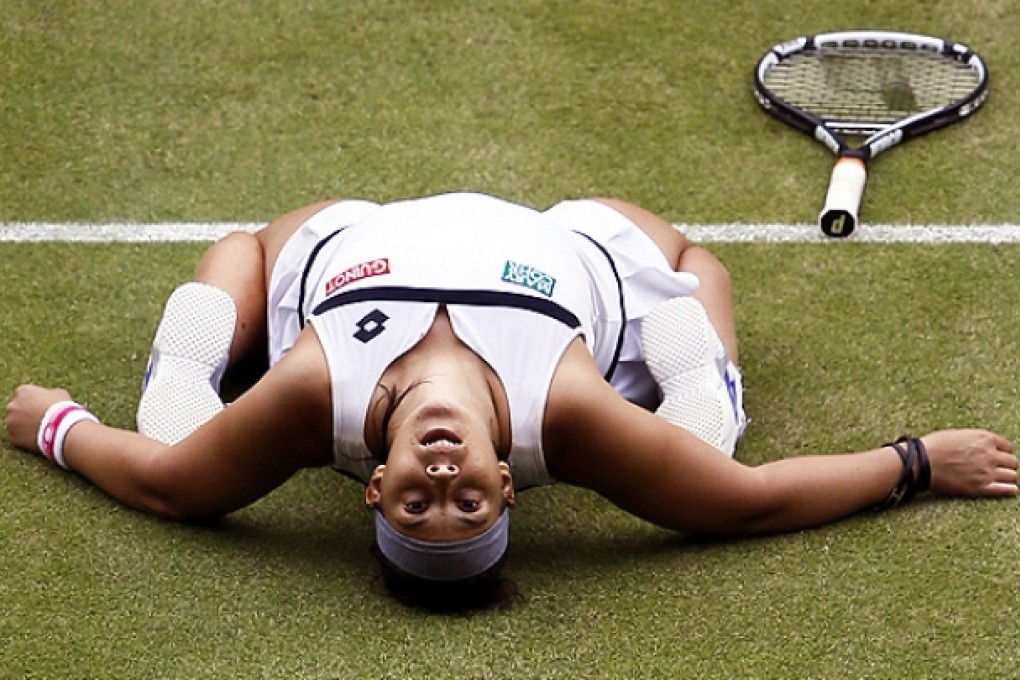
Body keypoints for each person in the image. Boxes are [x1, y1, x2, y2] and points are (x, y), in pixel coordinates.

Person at [6, 192, 1017, 611]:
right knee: (700, 398)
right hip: (578, 251)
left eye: (418, 504)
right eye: (468, 505)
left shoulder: (317, 390)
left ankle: (179, 366)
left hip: (350, 237)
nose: (442, 481)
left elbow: (175, 488)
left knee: (197, 360)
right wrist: (917, 459)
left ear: (373, 489)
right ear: (507, 484)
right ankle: (709, 376)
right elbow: (739, 502)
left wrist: (57, 426)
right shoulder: (559, 408)